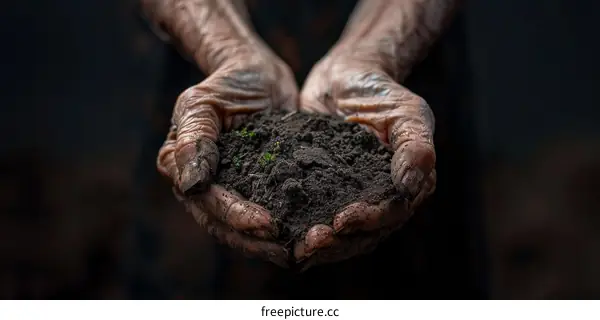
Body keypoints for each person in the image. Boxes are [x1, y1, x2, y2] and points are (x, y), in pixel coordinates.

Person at [140, 0, 458, 271]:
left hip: (396, 70)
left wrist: (371, 54)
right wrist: (229, 53)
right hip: (217, 81)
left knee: (408, 252)